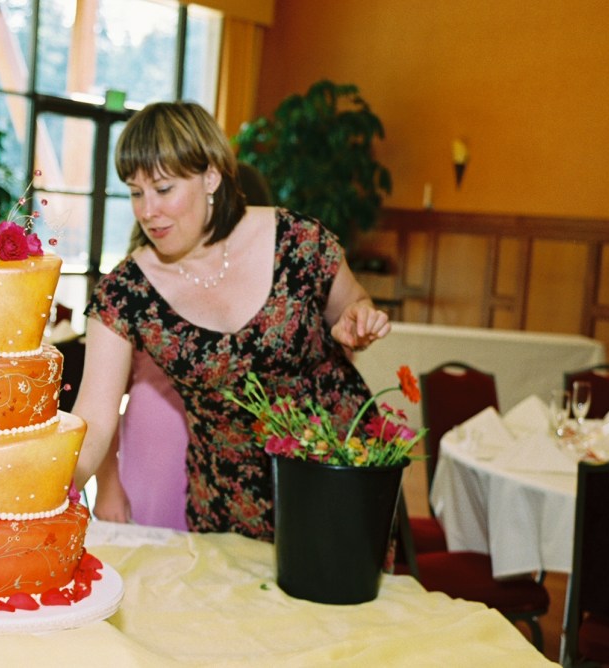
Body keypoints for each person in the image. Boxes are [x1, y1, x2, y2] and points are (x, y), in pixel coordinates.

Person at [72, 101, 390, 541]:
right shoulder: (125, 291)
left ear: (211, 177)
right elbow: (93, 418)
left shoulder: (297, 241)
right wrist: (43, 489)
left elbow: (352, 304)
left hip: (336, 470)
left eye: (163, 189)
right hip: (228, 501)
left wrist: (357, 319)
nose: (147, 211)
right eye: (135, 192)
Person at [91, 163, 276, 531]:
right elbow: (100, 407)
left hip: (245, 453)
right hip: (160, 442)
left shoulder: (268, 277)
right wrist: (108, 484)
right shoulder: (137, 279)